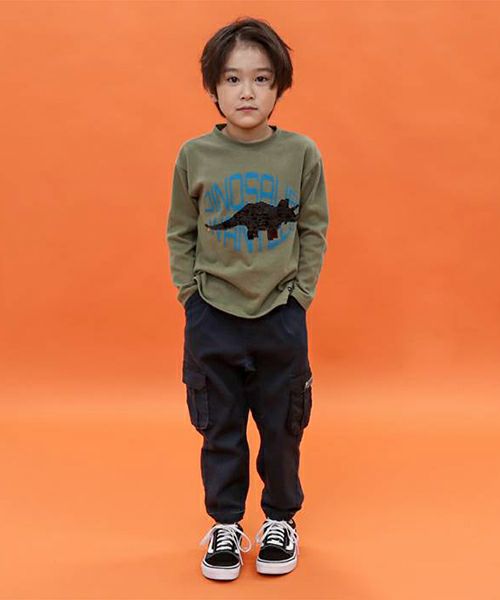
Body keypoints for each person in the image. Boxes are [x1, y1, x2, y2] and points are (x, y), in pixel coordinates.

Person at [166, 16, 329, 581]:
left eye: (261, 79)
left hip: (280, 315)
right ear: (213, 87)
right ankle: (226, 524)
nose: (247, 92)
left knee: (283, 427)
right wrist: (191, 295)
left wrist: (300, 294)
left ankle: (280, 519)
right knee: (221, 427)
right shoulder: (195, 155)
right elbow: (180, 232)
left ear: (279, 87)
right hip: (212, 315)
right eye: (233, 79)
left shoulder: (301, 154)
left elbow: (312, 227)